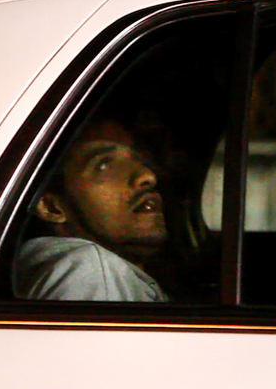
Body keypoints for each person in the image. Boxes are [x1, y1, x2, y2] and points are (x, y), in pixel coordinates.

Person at [13, 118, 169, 302]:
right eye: (104, 166)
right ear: (51, 208)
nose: (147, 176)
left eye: (139, 160)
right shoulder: (87, 270)